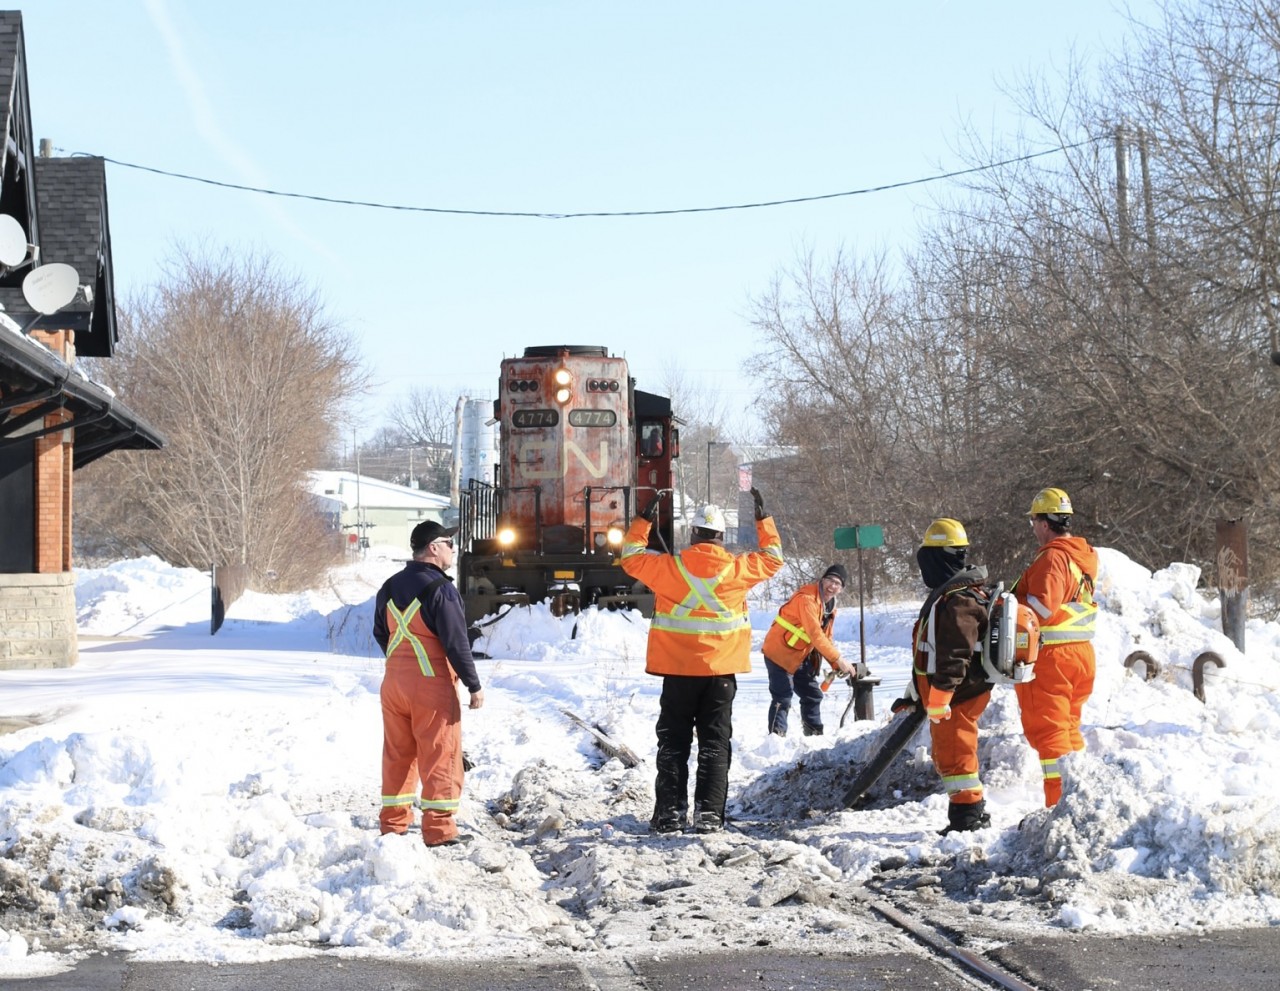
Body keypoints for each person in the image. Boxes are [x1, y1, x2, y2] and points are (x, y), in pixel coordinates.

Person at [620, 487, 783, 834]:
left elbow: (630, 557)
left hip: (678, 673)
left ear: (693, 534)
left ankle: (669, 814)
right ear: (722, 538)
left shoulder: (669, 568)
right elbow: (773, 558)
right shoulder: (738, 570)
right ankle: (709, 815)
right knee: (714, 743)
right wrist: (763, 520)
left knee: (674, 743)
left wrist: (643, 521)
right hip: (720, 675)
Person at [373, 520, 484, 846]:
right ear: (433, 548)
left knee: (398, 754)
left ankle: (393, 827)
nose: (453, 550)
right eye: (449, 544)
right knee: (441, 754)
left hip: (393, 685)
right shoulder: (442, 590)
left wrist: (403, 664)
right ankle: (439, 831)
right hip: (431, 686)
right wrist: (473, 684)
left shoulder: (389, 587)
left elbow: (381, 632)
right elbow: (456, 641)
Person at [910, 518, 996, 834]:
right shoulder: (953, 593)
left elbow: (955, 654)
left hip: (959, 694)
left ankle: (967, 819)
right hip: (952, 692)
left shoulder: (961, 599)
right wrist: (916, 690)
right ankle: (969, 812)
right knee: (952, 752)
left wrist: (941, 693)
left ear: (937, 559)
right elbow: (930, 648)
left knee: (957, 754)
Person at [1013, 487, 1098, 807]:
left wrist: (1011, 604)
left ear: (1045, 523)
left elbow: (1041, 608)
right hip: (1080, 655)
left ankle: (1059, 807)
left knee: (1049, 735)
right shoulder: (1082, 555)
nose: (1033, 528)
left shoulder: (1052, 557)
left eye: (1034, 521)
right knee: (1068, 730)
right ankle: (1080, 802)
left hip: (1052, 658)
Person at [761, 564, 854, 736]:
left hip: (799, 656)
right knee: (783, 697)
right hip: (779, 653)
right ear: (822, 580)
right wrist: (839, 659)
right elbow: (815, 634)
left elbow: (826, 638)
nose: (832, 586)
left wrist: (835, 663)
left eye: (837, 584)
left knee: (812, 694)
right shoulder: (807, 599)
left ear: (841, 589)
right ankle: (776, 739)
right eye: (830, 580)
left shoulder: (830, 607)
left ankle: (814, 736)